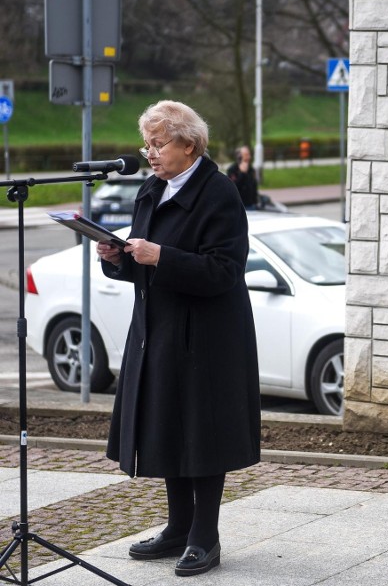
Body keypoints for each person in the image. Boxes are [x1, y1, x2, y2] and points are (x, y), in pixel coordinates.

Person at [96, 100, 260, 578]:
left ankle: (204, 538)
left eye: (159, 143)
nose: (150, 153)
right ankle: (177, 528)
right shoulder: (152, 189)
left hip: (209, 338)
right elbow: (143, 262)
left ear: (189, 145)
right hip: (159, 330)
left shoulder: (219, 194)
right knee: (170, 423)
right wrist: (117, 258)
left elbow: (225, 270)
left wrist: (160, 256)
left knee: (202, 432)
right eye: (146, 143)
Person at [227, 145, 259, 209]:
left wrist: (255, 202)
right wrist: (242, 173)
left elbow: (253, 186)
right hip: (238, 205)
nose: (249, 157)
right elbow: (233, 187)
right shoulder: (232, 169)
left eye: (249, 154)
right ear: (239, 156)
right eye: (246, 155)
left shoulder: (251, 169)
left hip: (251, 205)